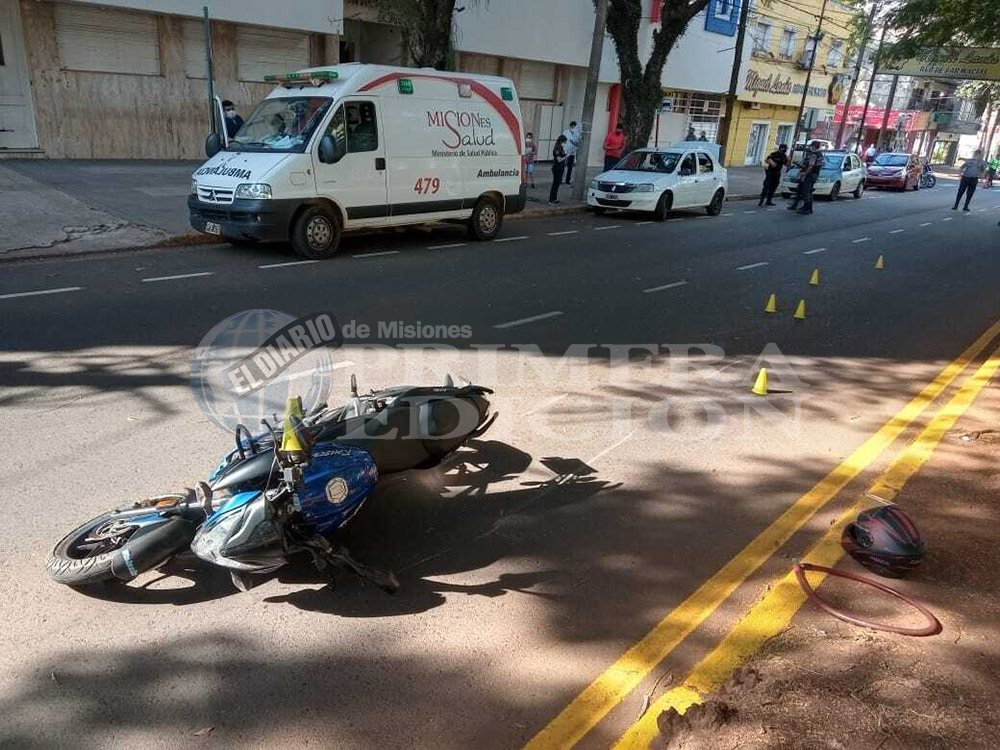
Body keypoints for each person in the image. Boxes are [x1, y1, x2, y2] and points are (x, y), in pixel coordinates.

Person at [788, 140, 823, 215]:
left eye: (811, 146)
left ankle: (807, 208)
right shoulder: (820, 154)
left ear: (813, 146)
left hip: (810, 175)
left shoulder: (814, 154)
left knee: (806, 192)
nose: (810, 147)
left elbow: (811, 166)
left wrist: (804, 174)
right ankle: (806, 207)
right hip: (814, 174)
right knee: (807, 191)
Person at [549, 135, 568, 205]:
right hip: (557, 168)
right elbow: (559, 160)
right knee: (555, 184)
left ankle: (555, 199)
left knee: (557, 184)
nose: (565, 143)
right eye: (564, 142)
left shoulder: (561, 148)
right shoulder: (557, 149)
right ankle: (551, 200)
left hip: (560, 168)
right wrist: (566, 157)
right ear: (561, 141)